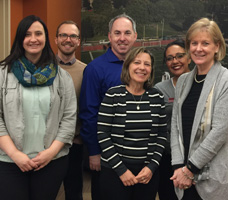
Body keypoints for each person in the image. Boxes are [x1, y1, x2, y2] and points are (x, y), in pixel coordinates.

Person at [0, 15, 76, 200]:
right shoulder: (3, 74)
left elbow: (69, 119)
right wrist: (15, 155)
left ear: (46, 38)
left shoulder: (62, 77)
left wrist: (49, 153)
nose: (33, 39)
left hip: (51, 162)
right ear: (20, 39)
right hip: (9, 162)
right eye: (27, 34)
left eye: (38, 33)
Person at [170, 18, 228, 200]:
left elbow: (220, 132)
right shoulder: (184, 81)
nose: (198, 48)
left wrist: (189, 170)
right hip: (183, 177)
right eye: (194, 43)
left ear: (217, 47)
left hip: (211, 180)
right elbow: (176, 126)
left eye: (205, 43)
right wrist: (178, 166)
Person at [79, 13, 137, 199]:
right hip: (106, 155)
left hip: (135, 153)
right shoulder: (95, 69)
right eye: (117, 33)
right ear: (109, 36)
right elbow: (89, 113)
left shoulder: (141, 67)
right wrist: (94, 152)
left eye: (127, 33)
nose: (122, 38)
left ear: (135, 36)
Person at [97, 47, 167, 200]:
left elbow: (162, 135)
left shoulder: (157, 97)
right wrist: (122, 171)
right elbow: (103, 135)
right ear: (128, 66)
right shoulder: (113, 95)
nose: (142, 67)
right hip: (115, 172)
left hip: (147, 174)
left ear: (151, 70)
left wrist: (151, 167)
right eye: (137, 62)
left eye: (147, 64)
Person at [154, 39, 191, 200]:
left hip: (194, 159)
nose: (175, 61)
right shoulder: (159, 89)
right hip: (167, 158)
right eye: (169, 58)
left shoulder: (201, 84)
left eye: (179, 56)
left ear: (189, 57)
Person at [55, 20, 87, 200]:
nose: (68, 39)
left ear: (78, 41)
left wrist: (80, 138)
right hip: (44, 144)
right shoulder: (42, 68)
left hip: (74, 143)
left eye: (73, 36)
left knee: (74, 191)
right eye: (63, 35)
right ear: (56, 39)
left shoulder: (86, 71)